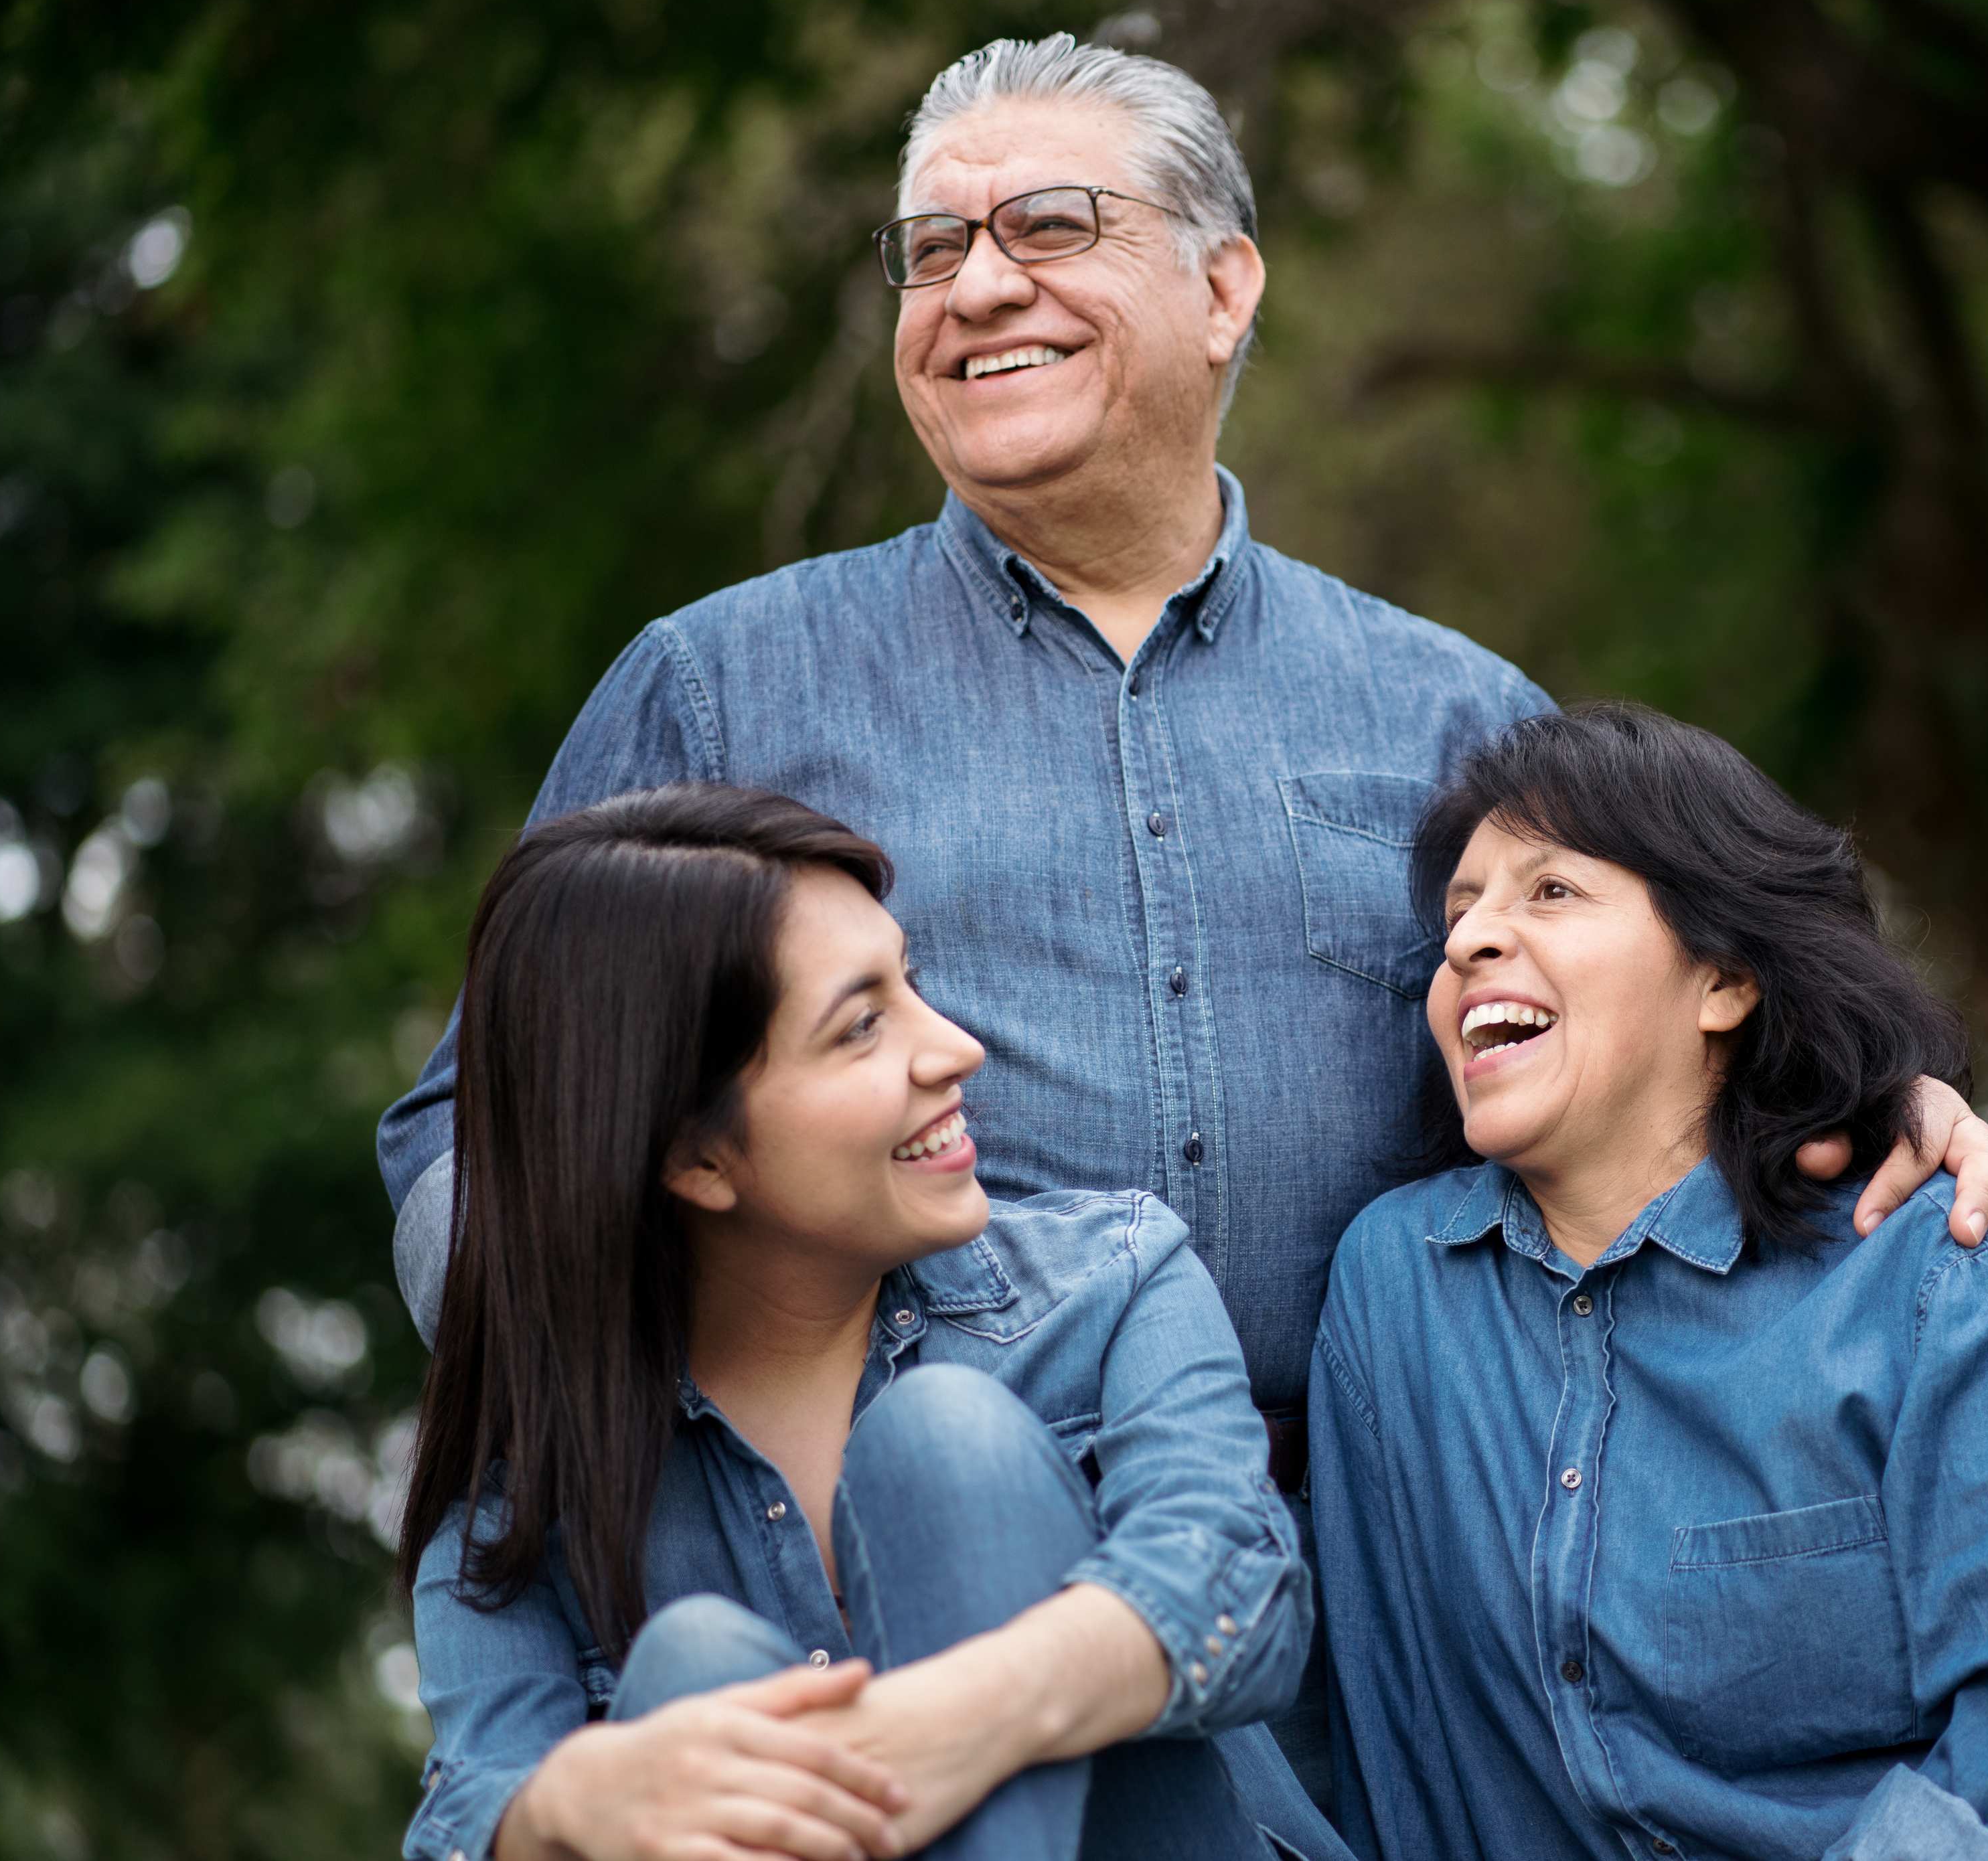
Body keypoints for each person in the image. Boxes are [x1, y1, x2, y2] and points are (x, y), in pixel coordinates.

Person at [378, 32, 1988, 1791]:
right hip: (865, 1574)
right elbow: (480, 1128)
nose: (977, 286)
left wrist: (1861, 1103)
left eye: (1048, 224)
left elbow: (1632, 1072)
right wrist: (672, 1427)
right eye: (932, 248)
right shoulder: (720, 688)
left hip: (1383, 1604)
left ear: (1223, 286)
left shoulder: (1450, 715)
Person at [1310, 706, 1988, 1861]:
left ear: (1723, 979)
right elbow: (1406, 1748)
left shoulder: (1930, 1262)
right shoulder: (1397, 1287)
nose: (1471, 940)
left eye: (1552, 891)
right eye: (1460, 912)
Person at [399, 784, 1349, 1861]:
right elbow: (465, 1811)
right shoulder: (526, 1491)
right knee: (690, 1667)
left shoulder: (1110, 1282)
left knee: (945, 1443)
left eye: (912, 985)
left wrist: (957, 1721)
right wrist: (563, 1806)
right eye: (860, 1027)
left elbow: (1239, 1594)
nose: (954, 1049)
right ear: (694, 1156)